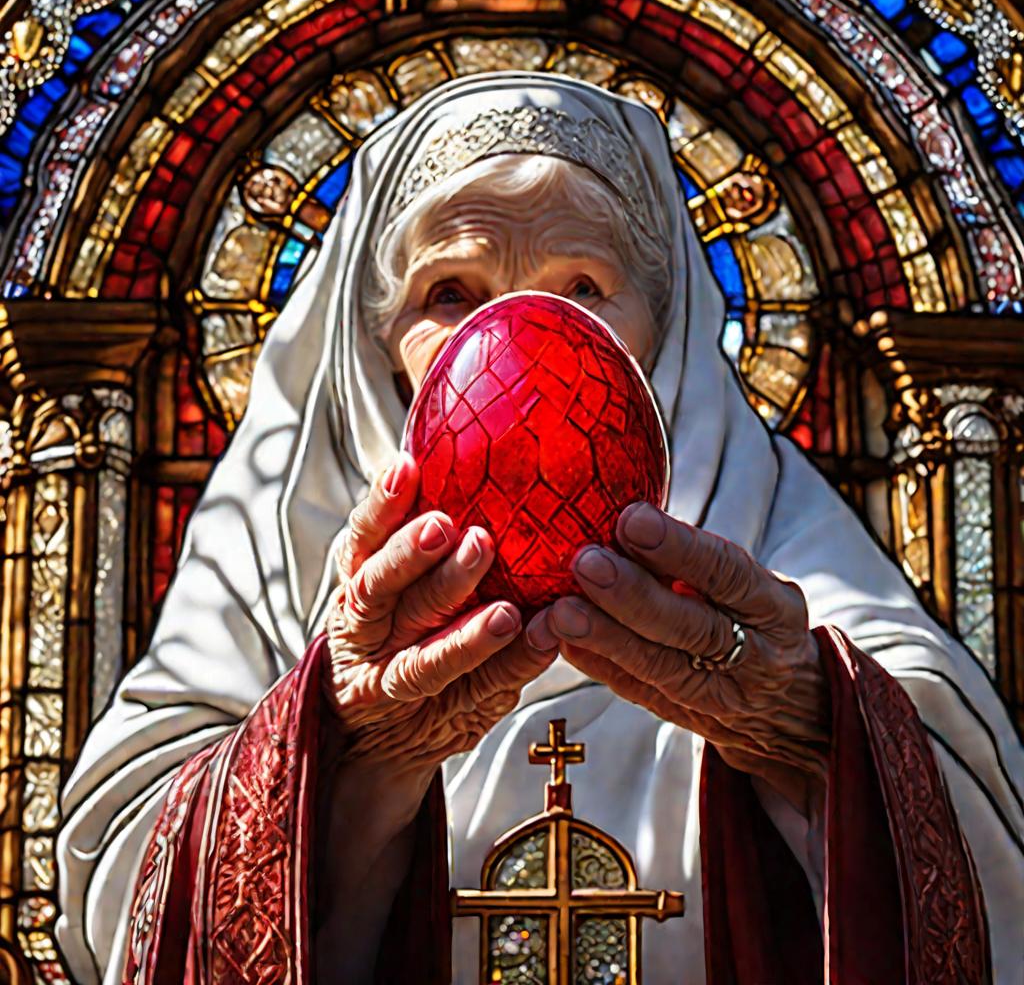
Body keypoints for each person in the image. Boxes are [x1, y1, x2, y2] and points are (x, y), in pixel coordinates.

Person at [56, 73, 1023, 984]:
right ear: (379, 351)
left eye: (581, 290)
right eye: (451, 295)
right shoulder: (275, 546)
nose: (519, 340)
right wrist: (343, 760)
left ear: (665, 332)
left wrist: (809, 735)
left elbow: (985, 858)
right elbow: (115, 875)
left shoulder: (770, 537)